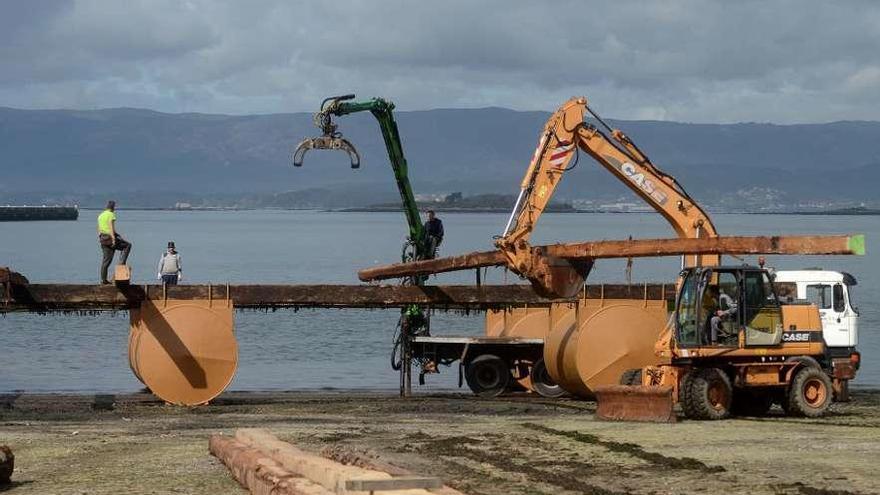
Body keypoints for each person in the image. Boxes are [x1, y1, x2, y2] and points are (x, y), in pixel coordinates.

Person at [97, 200, 132, 284]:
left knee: (106, 260)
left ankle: (103, 280)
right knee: (127, 245)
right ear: (113, 207)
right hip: (109, 237)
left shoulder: (100, 215)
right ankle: (121, 264)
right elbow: (111, 227)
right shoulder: (111, 214)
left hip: (102, 238)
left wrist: (101, 237)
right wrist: (113, 238)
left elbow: (99, 228)